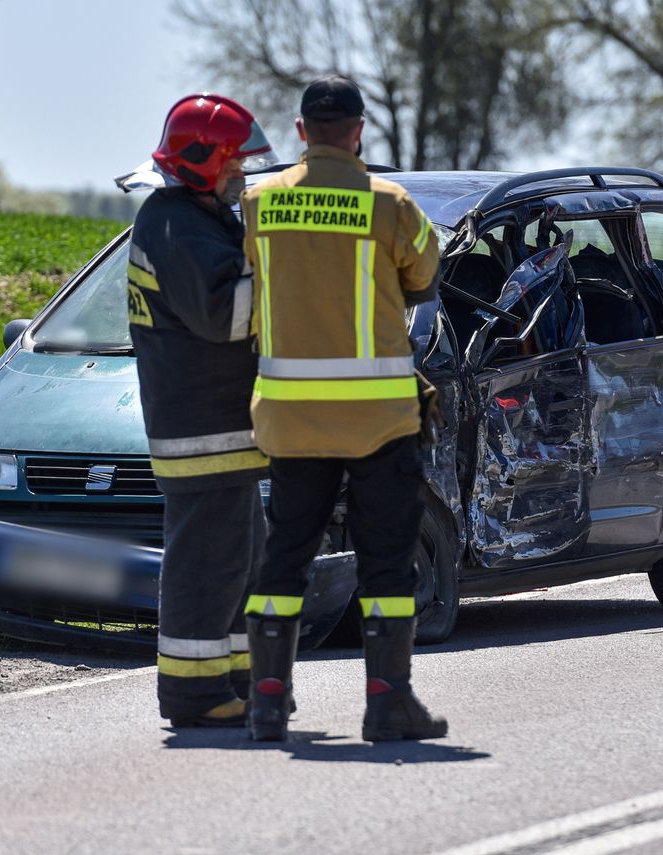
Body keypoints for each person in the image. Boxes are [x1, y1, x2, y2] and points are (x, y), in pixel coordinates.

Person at [240, 76, 447, 742]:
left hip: (290, 419)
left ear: (301, 131)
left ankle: (268, 700)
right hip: (378, 421)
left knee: (285, 556)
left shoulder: (258, 202)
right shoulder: (390, 205)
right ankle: (389, 702)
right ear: (359, 131)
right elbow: (424, 278)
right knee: (386, 560)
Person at [128, 94, 277, 726]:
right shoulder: (177, 225)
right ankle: (194, 695)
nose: (242, 175)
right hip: (202, 432)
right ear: (202, 163)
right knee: (207, 567)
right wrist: (285, 269)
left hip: (225, 430)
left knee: (239, 560)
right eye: (235, 164)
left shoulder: (193, 216)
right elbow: (227, 316)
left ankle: (234, 682)